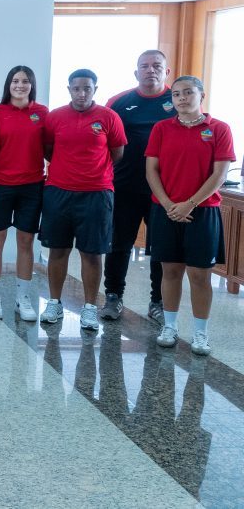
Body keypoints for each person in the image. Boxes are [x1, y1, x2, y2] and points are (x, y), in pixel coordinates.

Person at [146, 76, 235, 356]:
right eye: (176, 94)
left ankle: (200, 333)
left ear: (201, 95)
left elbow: (220, 174)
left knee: (199, 276)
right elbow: (152, 171)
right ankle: (169, 327)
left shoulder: (219, 129)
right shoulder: (161, 128)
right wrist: (169, 204)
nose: (181, 98)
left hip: (203, 212)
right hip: (166, 211)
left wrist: (190, 204)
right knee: (170, 271)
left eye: (188, 92)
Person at [39, 69, 127, 330]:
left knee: (92, 253)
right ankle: (54, 303)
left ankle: (89, 307)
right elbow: (48, 150)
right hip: (58, 191)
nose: (81, 93)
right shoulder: (55, 117)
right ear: (69, 89)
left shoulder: (109, 117)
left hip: (97, 193)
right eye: (76, 88)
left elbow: (117, 152)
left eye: (87, 88)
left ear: (94, 90)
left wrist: (91, 172)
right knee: (58, 250)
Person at [102, 49, 175, 323]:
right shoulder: (119, 101)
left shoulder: (177, 99)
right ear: (136, 72)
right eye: (144, 66)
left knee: (160, 247)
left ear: (166, 71)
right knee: (119, 244)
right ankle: (113, 296)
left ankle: (157, 301)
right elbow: (103, 140)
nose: (150, 70)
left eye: (157, 65)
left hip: (165, 191)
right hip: (124, 186)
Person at [0, 65, 49, 323]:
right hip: (0, 185)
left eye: (25, 81)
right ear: (8, 85)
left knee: (25, 242)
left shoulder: (42, 113)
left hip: (32, 186)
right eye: (15, 81)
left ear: (32, 84)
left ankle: (23, 299)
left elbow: (51, 149)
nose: (20, 85)